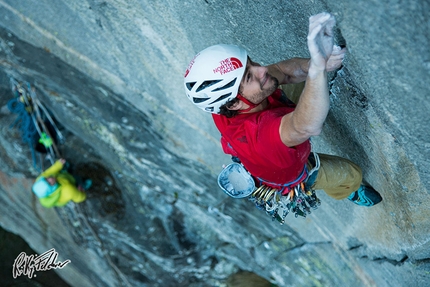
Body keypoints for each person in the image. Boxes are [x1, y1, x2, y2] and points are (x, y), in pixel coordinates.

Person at [183, 12, 382, 220]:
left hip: (266, 141)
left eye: (250, 63)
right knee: (351, 174)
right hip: (286, 170)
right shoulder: (259, 136)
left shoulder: (229, 101)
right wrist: (316, 69)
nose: (261, 69)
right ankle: (348, 190)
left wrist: (320, 63)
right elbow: (305, 126)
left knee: (292, 81)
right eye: (250, 76)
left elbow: (282, 71)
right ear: (234, 103)